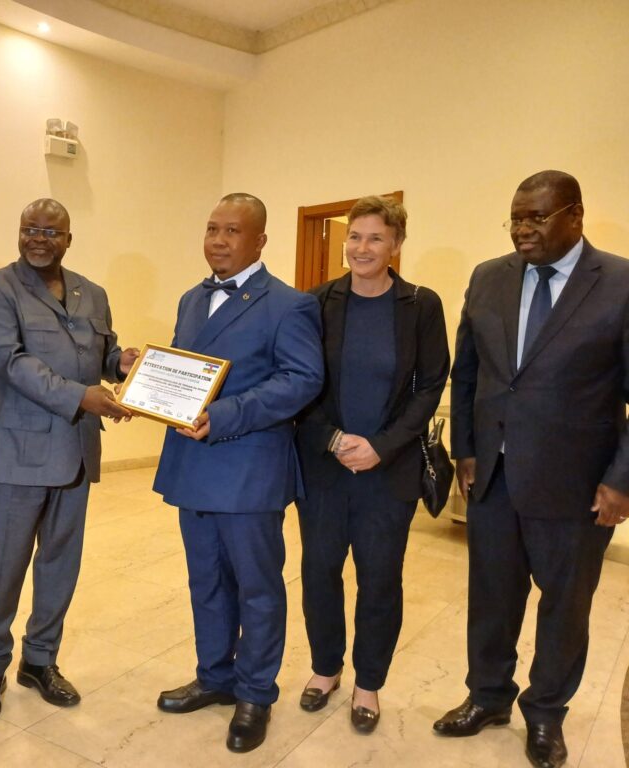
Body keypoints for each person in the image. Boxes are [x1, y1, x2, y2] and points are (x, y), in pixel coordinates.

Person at [434, 171, 629, 768]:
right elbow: (468, 372)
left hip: (578, 485)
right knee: (491, 596)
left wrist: (622, 479)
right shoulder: (488, 277)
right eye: (515, 218)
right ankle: (487, 696)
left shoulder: (620, 283)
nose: (522, 229)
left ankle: (545, 712)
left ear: (575, 215)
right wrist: (465, 449)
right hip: (492, 475)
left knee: (564, 606)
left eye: (536, 217)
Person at [152, 193, 324, 753]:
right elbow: (183, 370)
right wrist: (148, 387)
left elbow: (301, 380)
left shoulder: (289, 304)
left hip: (249, 468)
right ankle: (215, 677)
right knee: (206, 581)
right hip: (192, 466)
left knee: (257, 587)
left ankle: (255, 693)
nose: (218, 241)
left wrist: (224, 416)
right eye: (212, 229)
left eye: (232, 230)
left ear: (260, 241)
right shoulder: (190, 299)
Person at [0, 198, 138, 722]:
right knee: (2, 567)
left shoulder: (93, 293)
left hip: (76, 451)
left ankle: (40, 660)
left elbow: (101, 354)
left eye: (50, 232)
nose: (38, 239)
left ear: (68, 239)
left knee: (60, 564)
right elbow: (11, 362)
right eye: (30, 229)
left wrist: (123, 363)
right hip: (17, 454)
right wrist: (81, 396)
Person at [294, 196, 449, 733]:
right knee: (319, 572)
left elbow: (430, 386)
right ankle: (325, 668)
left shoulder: (421, 305)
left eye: (376, 238)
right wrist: (334, 439)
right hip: (324, 467)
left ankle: (368, 683)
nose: (362, 248)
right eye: (355, 236)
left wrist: (382, 445)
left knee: (380, 579)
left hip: (389, 471)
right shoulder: (315, 303)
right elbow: (300, 383)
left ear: (396, 244)